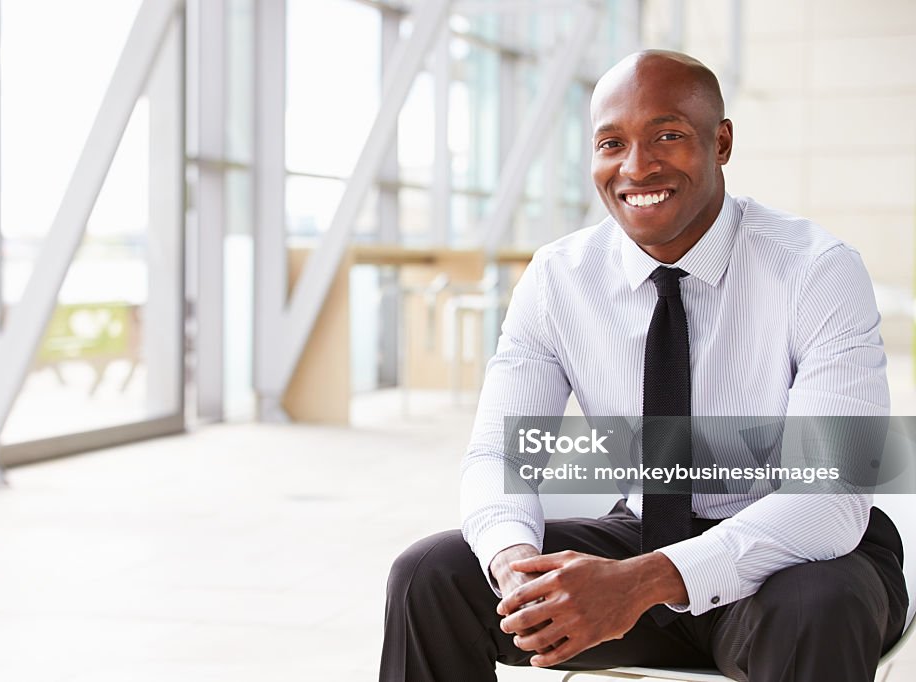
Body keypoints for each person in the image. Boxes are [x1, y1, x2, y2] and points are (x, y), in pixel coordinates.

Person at [378, 50, 909, 682]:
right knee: (429, 578)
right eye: (612, 142)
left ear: (722, 141)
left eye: (668, 135)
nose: (637, 166)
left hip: (794, 559)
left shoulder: (817, 270)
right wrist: (517, 566)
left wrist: (639, 584)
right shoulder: (558, 279)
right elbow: (498, 454)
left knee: (820, 605)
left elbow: (828, 499)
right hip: (643, 536)